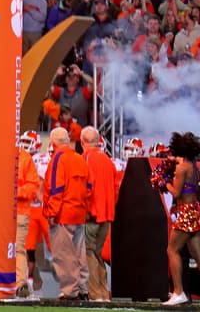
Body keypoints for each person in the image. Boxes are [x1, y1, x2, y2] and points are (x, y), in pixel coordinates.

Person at [43, 127, 90, 300]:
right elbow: (89, 186)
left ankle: (70, 291)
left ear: (53, 143)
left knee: (63, 254)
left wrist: (52, 213)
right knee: (79, 253)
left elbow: (56, 188)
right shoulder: (79, 158)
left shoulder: (58, 159)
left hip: (63, 214)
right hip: (79, 213)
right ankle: (83, 288)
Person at [164, 131, 200, 306]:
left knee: (172, 250)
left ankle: (179, 292)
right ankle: (179, 293)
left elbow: (176, 192)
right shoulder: (194, 166)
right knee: (198, 255)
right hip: (195, 211)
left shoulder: (181, 168)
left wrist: (164, 182)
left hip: (186, 213)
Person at [80, 125, 116, 301]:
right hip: (107, 215)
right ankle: (103, 291)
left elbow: (85, 188)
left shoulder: (85, 159)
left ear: (82, 142)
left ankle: (96, 294)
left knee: (89, 253)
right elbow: (115, 189)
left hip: (92, 215)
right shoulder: (108, 161)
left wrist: (85, 210)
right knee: (97, 253)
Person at [15, 131, 42, 298]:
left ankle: (21, 284)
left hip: (20, 210)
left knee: (20, 248)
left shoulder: (25, 158)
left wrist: (14, 192)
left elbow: (33, 186)